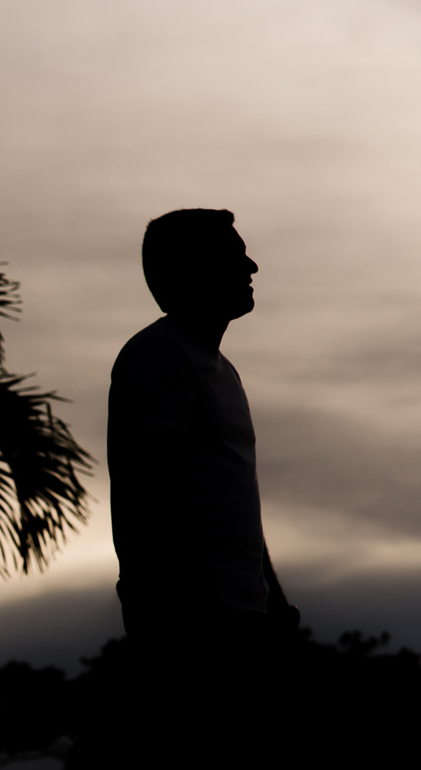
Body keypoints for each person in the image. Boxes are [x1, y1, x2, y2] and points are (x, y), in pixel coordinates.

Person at [104, 209, 297, 767]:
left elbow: (231, 501)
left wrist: (273, 603)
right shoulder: (157, 358)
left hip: (238, 621)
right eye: (235, 256)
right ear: (194, 270)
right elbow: (152, 493)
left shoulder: (220, 369)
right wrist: (193, 618)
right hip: (192, 626)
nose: (252, 265)